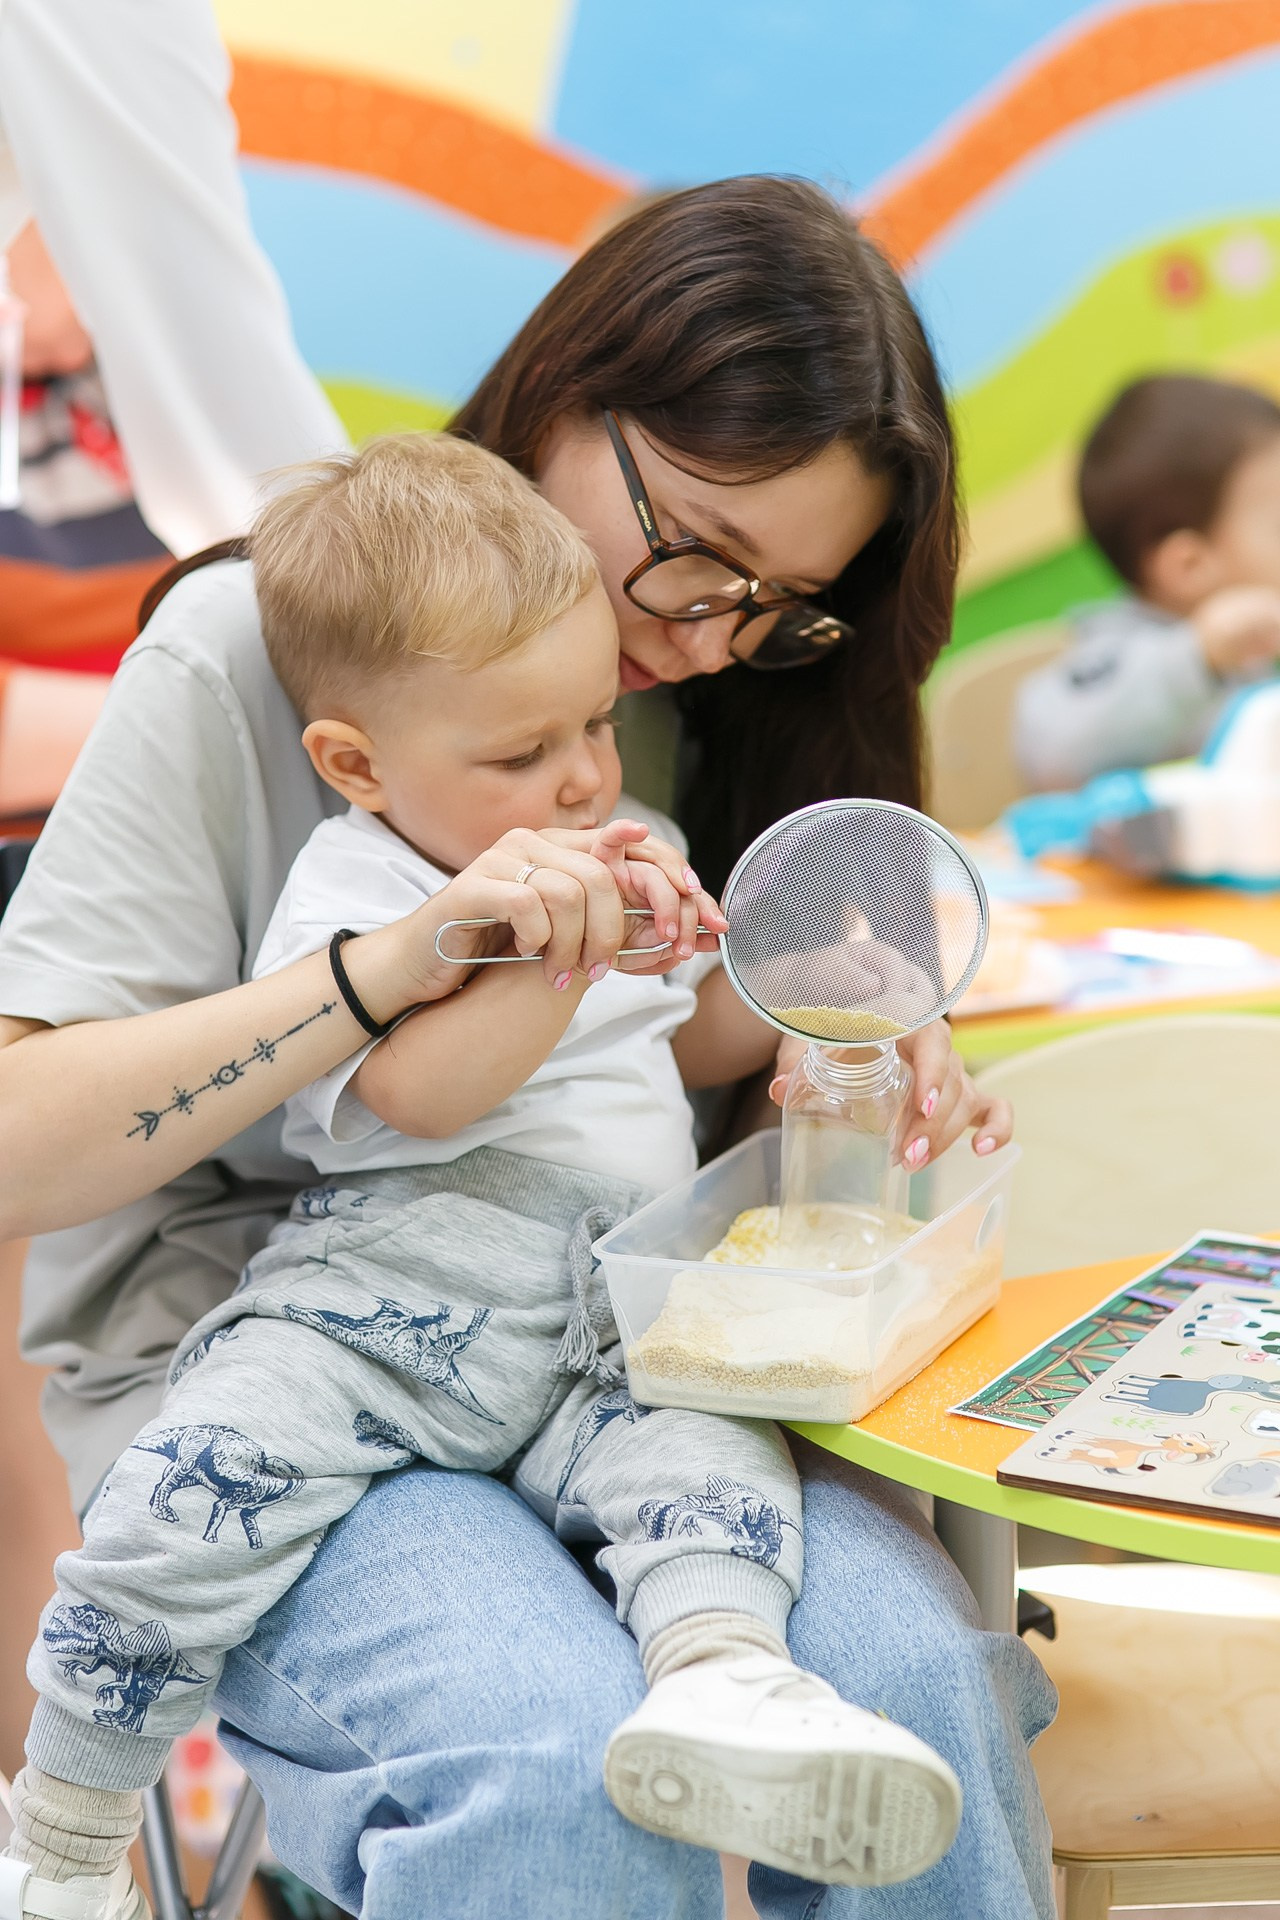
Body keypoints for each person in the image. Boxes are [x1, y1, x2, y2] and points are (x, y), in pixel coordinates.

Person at [0, 177, 1047, 1920]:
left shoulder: (733, 707)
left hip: (622, 1353)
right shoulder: (249, 651)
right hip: (273, 1367)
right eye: (695, 550)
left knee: (915, 1689)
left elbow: (700, 1085)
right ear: (568, 395)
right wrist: (394, 969)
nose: (700, 640)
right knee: (548, 1757)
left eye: (775, 602)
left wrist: (863, 1044)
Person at [1015, 373, 1280, 791]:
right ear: (1189, 566)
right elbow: (1051, 749)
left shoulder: (1256, 657)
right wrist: (1199, 654)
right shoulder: (1117, 658)